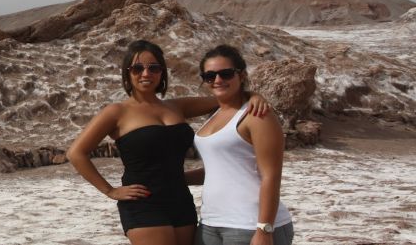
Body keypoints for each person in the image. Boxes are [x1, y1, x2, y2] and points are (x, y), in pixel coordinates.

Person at [67, 40, 269, 245]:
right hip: (143, 203)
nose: (146, 74)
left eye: (153, 68)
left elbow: (226, 97)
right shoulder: (116, 112)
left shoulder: (176, 106)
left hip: (180, 200)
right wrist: (110, 191)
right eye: (137, 68)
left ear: (162, 72)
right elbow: (76, 153)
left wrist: (253, 95)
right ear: (127, 73)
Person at [186, 45, 293, 245]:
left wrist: (264, 229)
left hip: (249, 225)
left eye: (225, 74)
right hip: (210, 224)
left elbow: (271, 174)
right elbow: (223, 170)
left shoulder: (257, 115)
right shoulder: (216, 112)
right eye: (210, 76)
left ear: (241, 75)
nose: (217, 80)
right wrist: (177, 179)